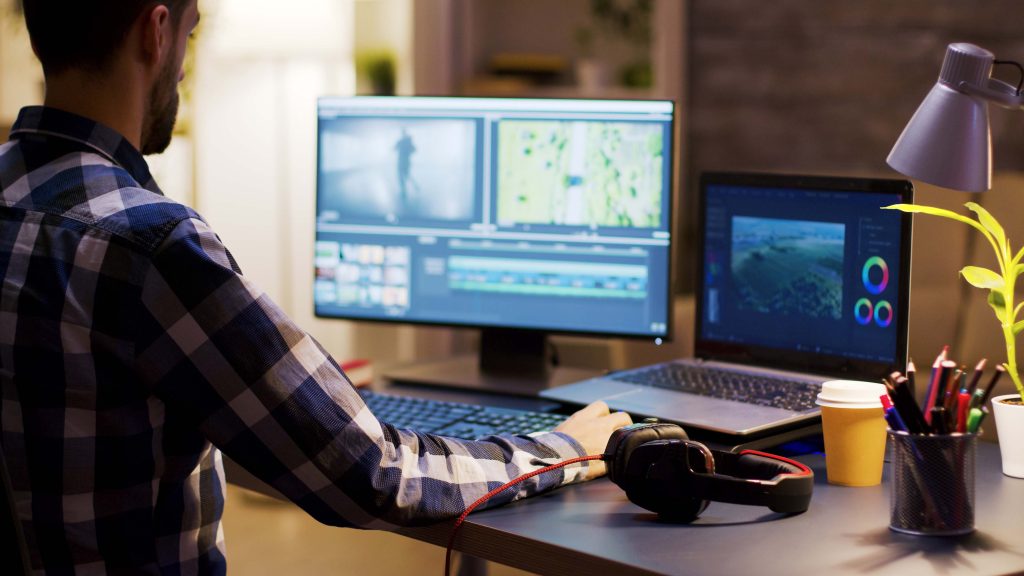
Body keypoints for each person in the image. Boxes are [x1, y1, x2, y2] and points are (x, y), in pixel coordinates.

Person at [0, 1, 632, 573]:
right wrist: (566, 447)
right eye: (191, 32)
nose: (185, 70)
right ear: (156, 30)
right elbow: (371, 473)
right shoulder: (151, 246)